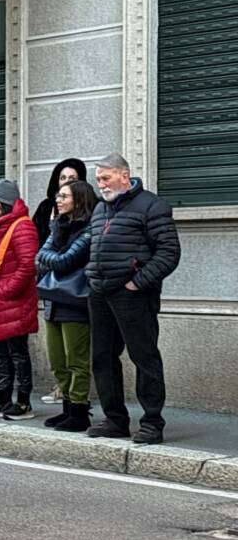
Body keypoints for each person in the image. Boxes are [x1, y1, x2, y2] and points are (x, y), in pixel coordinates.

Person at [85, 154, 180, 444]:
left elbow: (168, 253)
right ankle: (115, 420)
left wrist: (136, 283)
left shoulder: (152, 205)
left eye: (106, 177)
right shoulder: (101, 209)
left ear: (124, 176)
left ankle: (152, 422)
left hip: (133, 295)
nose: (100, 184)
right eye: (98, 178)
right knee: (102, 358)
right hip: (100, 292)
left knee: (144, 356)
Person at [35, 180, 97, 431]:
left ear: (79, 200)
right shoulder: (58, 226)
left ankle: (80, 411)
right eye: (58, 196)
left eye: (64, 196)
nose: (58, 200)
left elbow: (63, 262)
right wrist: (52, 250)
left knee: (76, 361)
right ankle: (67, 409)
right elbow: (43, 255)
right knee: (57, 361)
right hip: (53, 300)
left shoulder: (88, 229)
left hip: (75, 302)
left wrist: (50, 258)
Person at [0, 179, 39, 421]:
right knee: (0, 352)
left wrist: (4, 290)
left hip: (14, 300)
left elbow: (26, 266)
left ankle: (23, 402)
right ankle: (3, 398)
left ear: (4, 203)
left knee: (18, 352)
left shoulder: (22, 226)